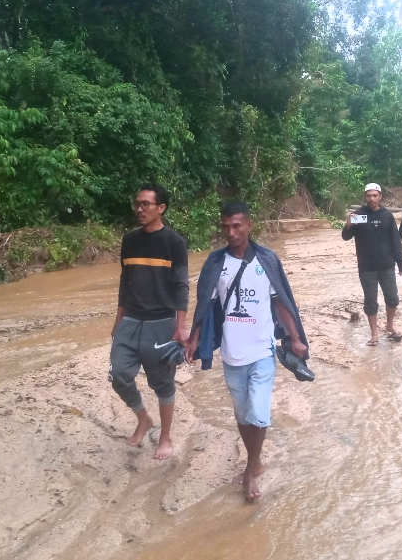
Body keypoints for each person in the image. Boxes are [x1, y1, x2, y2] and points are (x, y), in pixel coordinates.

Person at [186, 202, 309, 502]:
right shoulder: (216, 263)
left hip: (263, 349)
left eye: (237, 226)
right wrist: (194, 339)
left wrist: (295, 337)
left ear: (249, 226)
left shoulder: (266, 259)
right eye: (226, 226)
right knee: (242, 415)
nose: (231, 232)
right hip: (231, 352)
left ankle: (250, 470)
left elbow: (282, 302)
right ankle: (256, 460)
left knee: (258, 412)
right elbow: (205, 305)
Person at [109, 183, 189, 459]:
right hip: (131, 320)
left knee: (162, 383)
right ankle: (143, 418)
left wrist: (180, 326)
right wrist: (118, 319)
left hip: (161, 323)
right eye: (137, 204)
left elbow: (181, 285)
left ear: (161, 208)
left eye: (146, 204)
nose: (140, 209)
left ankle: (165, 437)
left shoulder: (174, 243)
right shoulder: (129, 240)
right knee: (118, 374)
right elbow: (124, 281)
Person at [342, 183, 402, 346]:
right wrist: (348, 224)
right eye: (369, 195)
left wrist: (401, 262)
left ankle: (389, 326)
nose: (372, 198)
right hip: (366, 267)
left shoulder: (387, 215)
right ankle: (374, 333)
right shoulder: (359, 215)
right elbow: (346, 236)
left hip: (387, 265)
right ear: (365, 197)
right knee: (371, 301)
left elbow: (395, 240)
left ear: (380, 197)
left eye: (375, 195)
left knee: (392, 298)